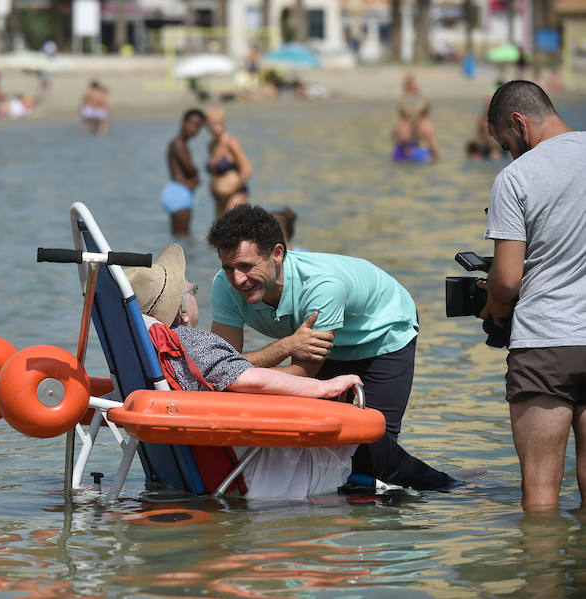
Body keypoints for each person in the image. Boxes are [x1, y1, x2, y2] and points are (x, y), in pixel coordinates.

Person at [206, 204, 455, 490]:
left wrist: (264, 365)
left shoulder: (322, 286)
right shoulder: (224, 287)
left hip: (383, 335)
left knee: (370, 449)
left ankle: (450, 488)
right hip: (327, 347)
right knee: (323, 442)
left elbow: (301, 376)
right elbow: (220, 367)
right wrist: (287, 345)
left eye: (247, 267)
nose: (237, 279)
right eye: (228, 268)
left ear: (277, 254)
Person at [124, 243, 363, 498]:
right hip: (247, 472)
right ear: (182, 312)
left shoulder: (143, 353)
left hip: (189, 470)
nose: (195, 296)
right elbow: (252, 380)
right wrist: (325, 386)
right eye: (192, 290)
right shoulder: (191, 341)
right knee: (368, 449)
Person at [480, 80, 586, 510]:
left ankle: (542, 577)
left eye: (507, 143)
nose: (510, 153)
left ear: (518, 123)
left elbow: (507, 280)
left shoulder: (516, 178)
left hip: (546, 346)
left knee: (541, 493)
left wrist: (493, 302)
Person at [161, 109, 205, 237]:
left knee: (181, 236)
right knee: (182, 236)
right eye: (192, 124)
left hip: (178, 192)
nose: (195, 129)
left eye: (199, 126)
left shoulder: (180, 144)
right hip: (179, 193)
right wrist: (196, 177)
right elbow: (191, 170)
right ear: (183, 123)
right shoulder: (178, 144)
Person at [205, 106, 252, 219]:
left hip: (235, 195)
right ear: (206, 125)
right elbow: (214, 173)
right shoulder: (211, 146)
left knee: (231, 233)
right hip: (218, 198)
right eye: (211, 124)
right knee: (218, 234)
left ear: (224, 122)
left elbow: (247, 170)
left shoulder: (231, 143)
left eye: (218, 123)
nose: (215, 127)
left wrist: (231, 190)